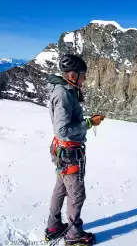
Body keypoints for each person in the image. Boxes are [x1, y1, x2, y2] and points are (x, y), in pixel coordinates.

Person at [45, 54, 104, 245]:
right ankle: (74, 236)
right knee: (76, 194)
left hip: (62, 151)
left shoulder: (65, 90)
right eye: (83, 75)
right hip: (69, 152)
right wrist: (89, 123)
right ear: (72, 75)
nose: (85, 78)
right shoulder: (63, 94)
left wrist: (86, 121)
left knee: (61, 188)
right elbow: (62, 130)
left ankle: (54, 227)